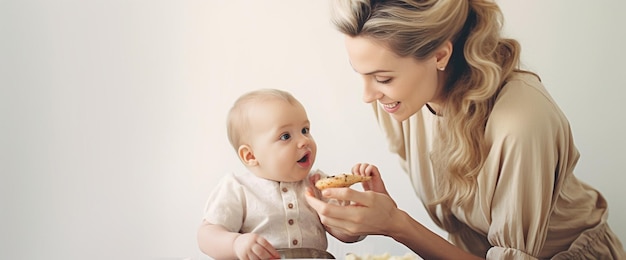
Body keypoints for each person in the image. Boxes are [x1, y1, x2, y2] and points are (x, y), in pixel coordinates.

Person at [304, 0, 626, 259]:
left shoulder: (521, 121)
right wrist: (359, 221)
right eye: (360, 73)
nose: (367, 95)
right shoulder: (401, 103)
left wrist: (396, 224)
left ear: (440, 55)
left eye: (383, 78)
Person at [197, 88, 360, 260]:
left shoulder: (316, 182)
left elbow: (347, 235)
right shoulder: (238, 189)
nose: (304, 141)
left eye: (305, 130)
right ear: (251, 155)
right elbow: (206, 236)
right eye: (285, 136)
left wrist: (350, 209)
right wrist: (236, 243)